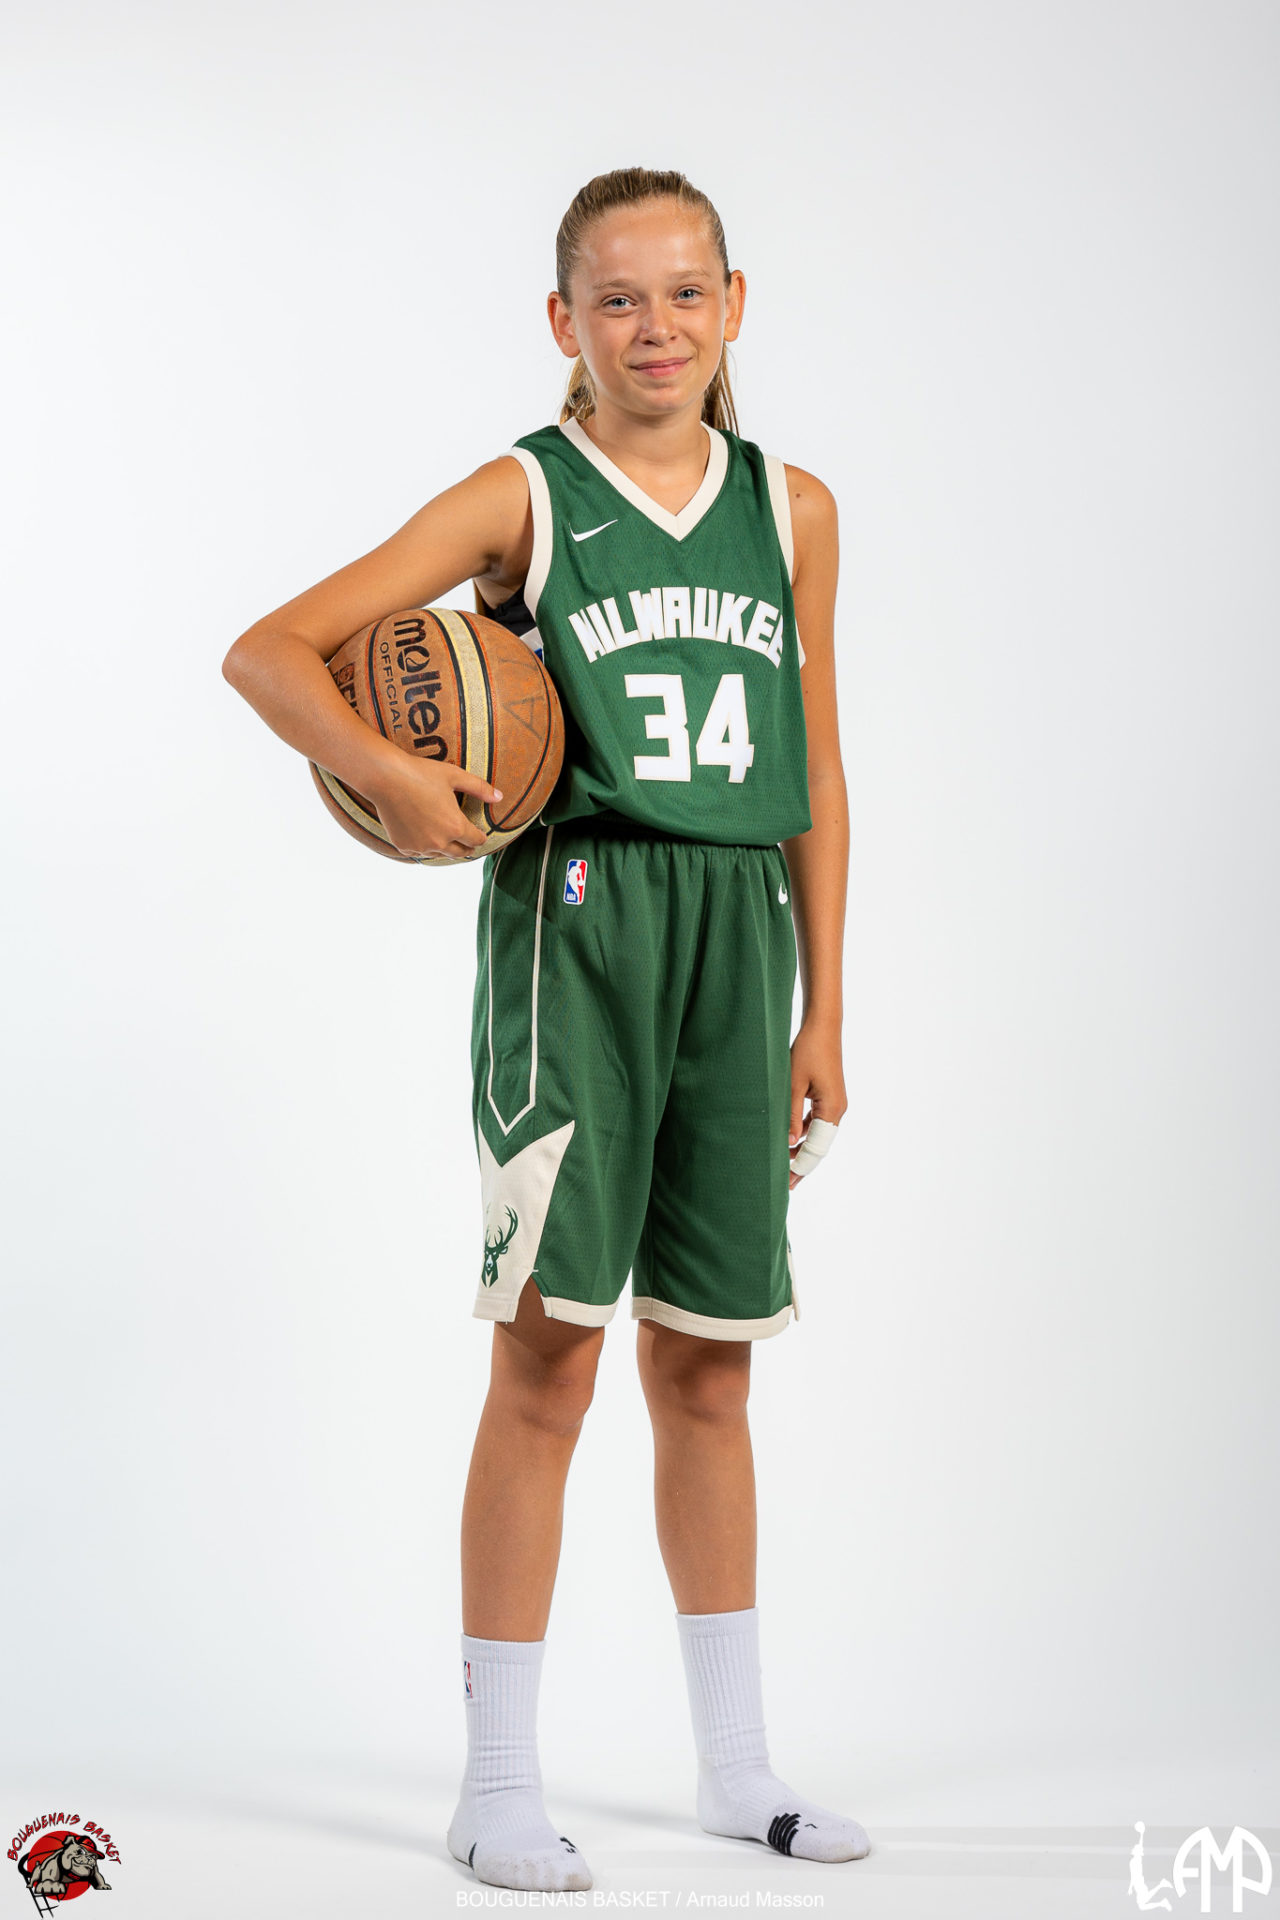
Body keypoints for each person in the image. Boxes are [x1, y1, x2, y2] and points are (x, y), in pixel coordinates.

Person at [222, 166, 869, 1895]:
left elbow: (815, 759)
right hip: (576, 931)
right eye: (617, 299)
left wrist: (825, 1001)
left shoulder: (795, 507)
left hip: (738, 940)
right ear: (563, 320)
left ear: (735, 303)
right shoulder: (526, 491)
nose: (654, 328)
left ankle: (736, 1767)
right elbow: (271, 652)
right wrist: (390, 772)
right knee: (550, 1357)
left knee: (710, 1363)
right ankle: (496, 1783)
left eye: (684, 293)